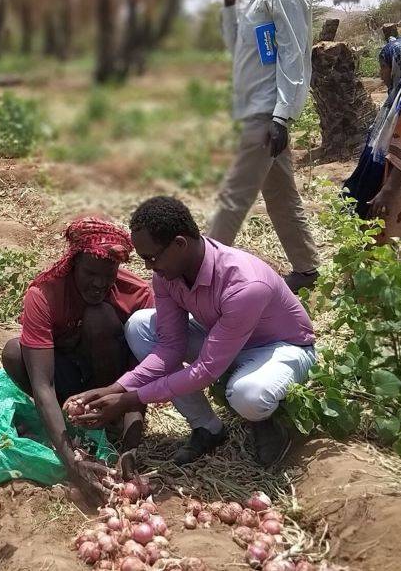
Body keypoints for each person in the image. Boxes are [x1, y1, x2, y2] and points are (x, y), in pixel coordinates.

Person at [68, 196, 317, 468]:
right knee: (140, 326)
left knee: (249, 396)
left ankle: (267, 422)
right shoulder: (167, 275)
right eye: (144, 260)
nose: (150, 267)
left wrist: (130, 399)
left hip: (278, 349)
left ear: (179, 244)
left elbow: (205, 371)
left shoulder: (245, 285)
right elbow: (169, 347)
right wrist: (117, 387)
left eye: (152, 257)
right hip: (222, 339)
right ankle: (208, 428)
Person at [0, 217, 153, 505]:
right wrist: (72, 462)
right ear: (73, 264)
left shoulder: (137, 293)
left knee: (100, 316)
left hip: (113, 382)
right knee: (13, 352)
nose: (99, 284)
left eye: (108, 275)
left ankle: (109, 416)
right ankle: (73, 419)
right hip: (68, 376)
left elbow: (141, 377)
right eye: (90, 273)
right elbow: (42, 385)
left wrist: (131, 446)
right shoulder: (44, 294)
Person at [209, 0, 319, 294]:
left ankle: (200, 276)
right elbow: (236, 47)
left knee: (233, 197)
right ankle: (306, 269)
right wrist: (228, 4)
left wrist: (282, 116)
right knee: (282, 196)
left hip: (265, 115)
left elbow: (293, 54)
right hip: (257, 111)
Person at [343, 36, 401, 245]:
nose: (381, 73)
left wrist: (387, 191)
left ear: (398, 67)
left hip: (399, 182)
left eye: (384, 67)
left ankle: (386, 275)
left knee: (389, 230)